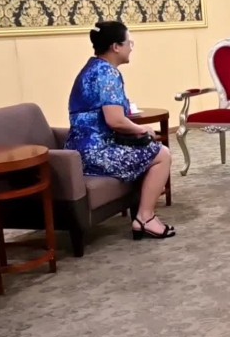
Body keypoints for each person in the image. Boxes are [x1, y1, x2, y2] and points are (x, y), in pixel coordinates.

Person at [65, 21, 175, 239]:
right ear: (116, 47)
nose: (131, 48)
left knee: (148, 149)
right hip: (95, 153)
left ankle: (143, 214)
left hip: (78, 150)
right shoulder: (107, 73)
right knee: (162, 154)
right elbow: (115, 120)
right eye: (129, 43)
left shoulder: (92, 67)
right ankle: (145, 218)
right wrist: (141, 129)